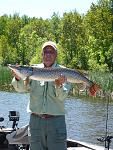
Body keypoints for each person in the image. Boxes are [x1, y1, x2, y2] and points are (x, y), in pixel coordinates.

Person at [11, 41, 71, 150]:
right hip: (35, 123)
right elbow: (20, 89)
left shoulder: (64, 72)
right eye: (45, 52)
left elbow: (62, 97)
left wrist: (59, 84)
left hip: (56, 123)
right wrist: (18, 78)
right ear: (42, 54)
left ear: (56, 54)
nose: (48, 54)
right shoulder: (32, 70)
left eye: (51, 52)